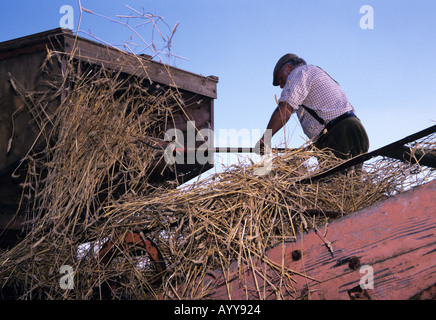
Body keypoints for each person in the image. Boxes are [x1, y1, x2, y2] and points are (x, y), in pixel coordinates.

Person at [256, 53, 369, 159]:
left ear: (289, 68)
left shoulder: (298, 73)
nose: (281, 86)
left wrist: (265, 139)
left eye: (281, 80)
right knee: (348, 177)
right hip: (353, 129)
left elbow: (285, 108)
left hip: (339, 134)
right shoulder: (317, 72)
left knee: (334, 178)